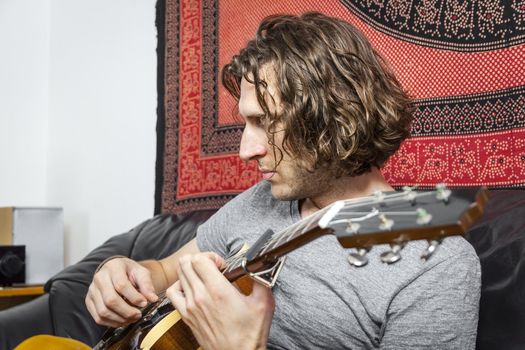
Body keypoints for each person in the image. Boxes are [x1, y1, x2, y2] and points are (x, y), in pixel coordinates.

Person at [86, 12, 480, 349]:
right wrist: (123, 271)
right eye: (245, 122)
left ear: (334, 117)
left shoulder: (435, 260)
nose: (246, 150)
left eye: (265, 122)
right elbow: (164, 272)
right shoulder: (262, 200)